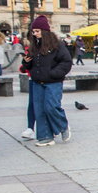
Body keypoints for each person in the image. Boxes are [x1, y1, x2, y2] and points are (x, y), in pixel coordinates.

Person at [22, 15, 72, 147]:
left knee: (51, 107)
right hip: (37, 82)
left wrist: (54, 73)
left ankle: (63, 126)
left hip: (53, 81)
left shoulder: (57, 45)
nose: (35, 34)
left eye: (37, 31)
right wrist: (26, 63)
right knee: (40, 110)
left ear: (45, 31)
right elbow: (30, 64)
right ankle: (45, 136)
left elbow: (66, 61)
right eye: (33, 31)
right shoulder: (34, 46)